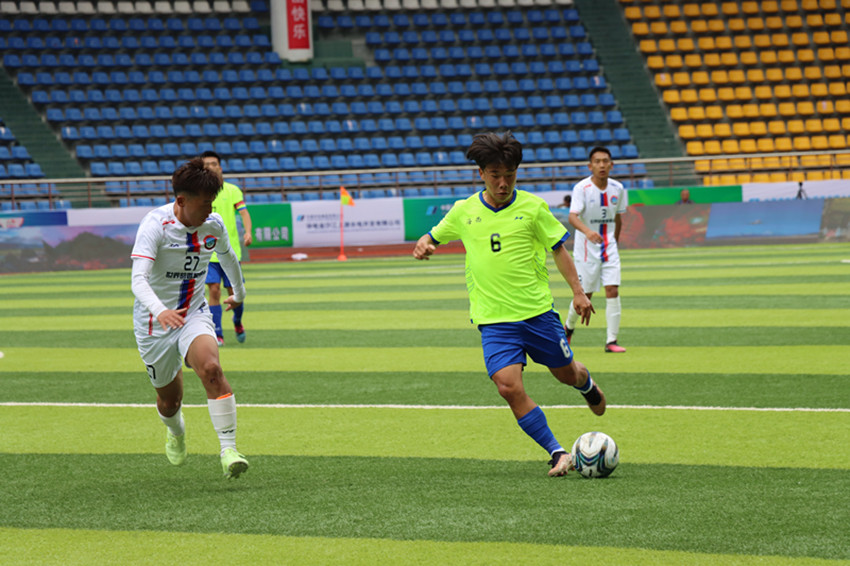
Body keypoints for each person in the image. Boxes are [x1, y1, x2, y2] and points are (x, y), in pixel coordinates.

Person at [412, 132, 606, 477]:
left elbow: (558, 249)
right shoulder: (463, 211)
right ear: (481, 174)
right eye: (495, 175)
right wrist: (424, 243)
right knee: (507, 386)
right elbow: (434, 235)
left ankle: (585, 383)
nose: (503, 183)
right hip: (494, 321)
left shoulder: (533, 208)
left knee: (566, 374)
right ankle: (557, 452)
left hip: (537, 314)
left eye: (510, 176)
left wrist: (578, 292)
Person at [131, 157, 249, 479]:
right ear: (181, 201)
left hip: (193, 313)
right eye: (204, 204)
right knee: (169, 401)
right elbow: (138, 280)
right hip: (154, 324)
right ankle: (176, 431)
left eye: (212, 202)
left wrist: (239, 292)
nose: (210, 210)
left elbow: (228, 257)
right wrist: (161, 311)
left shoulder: (213, 224)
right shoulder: (155, 225)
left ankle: (229, 450)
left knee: (211, 369)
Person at [564, 146, 628, 353]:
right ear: (590, 166)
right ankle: (568, 328)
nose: (602, 165)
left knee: (613, 289)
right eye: (597, 161)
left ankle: (612, 341)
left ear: (611, 165)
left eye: (605, 161)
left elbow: (618, 218)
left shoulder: (618, 188)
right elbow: (572, 217)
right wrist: (588, 232)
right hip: (586, 249)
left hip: (609, 247)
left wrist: (614, 242)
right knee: (585, 295)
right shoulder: (581, 188)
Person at [200, 150, 253, 347]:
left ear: (220, 167)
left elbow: (244, 213)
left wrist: (248, 232)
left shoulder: (232, 190)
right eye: (206, 164)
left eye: (213, 164)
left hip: (230, 252)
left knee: (235, 293)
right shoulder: (198, 191)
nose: (210, 167)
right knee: (214, 291)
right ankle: (217, 333)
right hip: (208, 253)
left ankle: (237, 321)